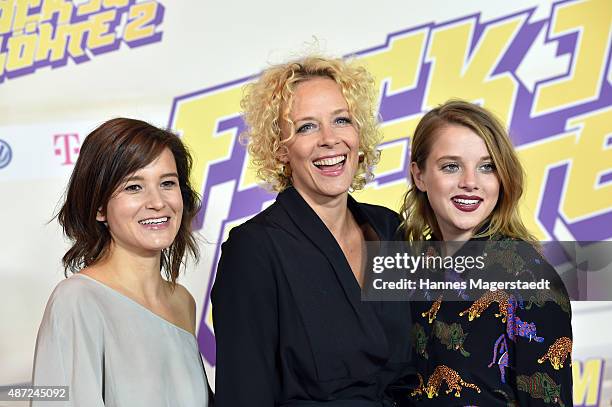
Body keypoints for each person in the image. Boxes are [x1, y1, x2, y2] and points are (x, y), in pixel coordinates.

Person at [212, 56, 414, 406]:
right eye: (306, 127)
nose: (329, 139)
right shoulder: (254, 250)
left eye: (341, 120)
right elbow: (245, 394)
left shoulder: (388, 228)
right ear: (280, 148)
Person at [400, 100, 572, 406]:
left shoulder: (529, 275)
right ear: (420, 175)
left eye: (487, 166)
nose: (470, 183)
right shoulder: (409, 265)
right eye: (451, 166)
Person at [31, 118, 210, 406]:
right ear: (100, 207)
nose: (157, 202)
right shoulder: (78, 301)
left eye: (167, 183)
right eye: (133, 187)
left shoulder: (182, 302)